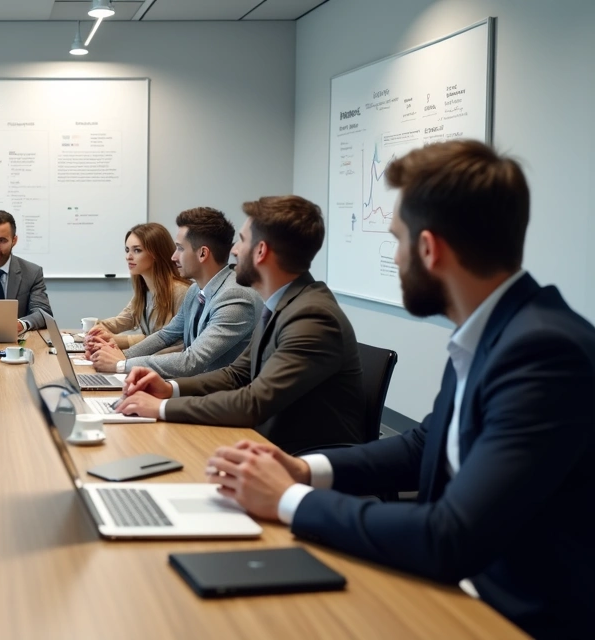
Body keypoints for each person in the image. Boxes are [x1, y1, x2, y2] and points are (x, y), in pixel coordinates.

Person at [203, 140, 594, 638]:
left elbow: (450, 536)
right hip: (457, 594)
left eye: (397, 239)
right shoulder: (493, 331)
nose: (396, 254)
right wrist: (303, 469)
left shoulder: (541, 352)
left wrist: (288, 500)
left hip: (510, 618)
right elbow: (424, 443)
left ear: (429, 249)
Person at [117, 195, 364, 454]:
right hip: (264, 440)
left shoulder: (312, 317)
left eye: (243, 241)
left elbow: (253, 402)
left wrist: (161, 407)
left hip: (298, 454)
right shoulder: (283, 304)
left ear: (261, 251)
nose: (234, 250)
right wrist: (169, 388)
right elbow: (237, 374)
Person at [85, 208, 260, 377]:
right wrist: (123, 356)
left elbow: (192, 361)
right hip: (195, 388)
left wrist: (121, 364)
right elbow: (165, 335)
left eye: (180, 248)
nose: (173, 257)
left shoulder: (235, 298)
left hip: (219, 398)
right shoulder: (195, 290)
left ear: (203, 253)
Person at [81, 223, 189, 358]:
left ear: (157, 253)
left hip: (162, 369)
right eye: (127, 250)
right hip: (145, 363)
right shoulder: (145, 290)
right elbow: (122, 320)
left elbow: (170, 343)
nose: (128, 257)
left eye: (137, 250)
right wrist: (98, 329)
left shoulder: (181, 292)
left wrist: (118, 350)